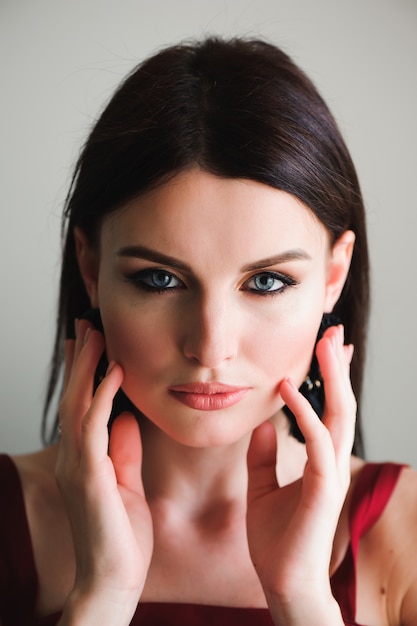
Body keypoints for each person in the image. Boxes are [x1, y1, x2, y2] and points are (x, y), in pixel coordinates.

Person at [1, 36, 416, 626]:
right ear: (91, 269)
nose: (210, 347)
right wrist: (102, 594)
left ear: (333, 276)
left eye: (267, 282)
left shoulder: (406, 530)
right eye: (160, 279)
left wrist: (301, 599)